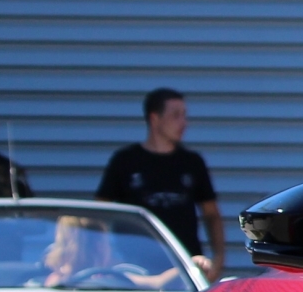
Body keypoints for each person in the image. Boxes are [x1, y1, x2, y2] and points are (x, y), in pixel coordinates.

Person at [95, 87, 223, 275]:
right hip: (134, 269)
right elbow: (100, 213)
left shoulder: (192, 163)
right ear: (154, 119)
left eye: (185, 115)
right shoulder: (125, 161)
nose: (183, 122)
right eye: (175, 116)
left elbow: (212, 214)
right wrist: (106, 259)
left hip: (184, 267)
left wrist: (218, 260)